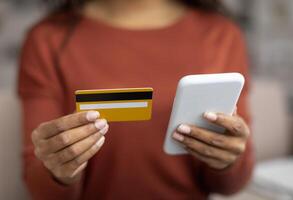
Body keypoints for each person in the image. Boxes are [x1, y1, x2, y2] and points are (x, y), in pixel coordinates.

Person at [18, 0, 254, 199]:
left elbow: (232, 184)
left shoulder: (221, 35)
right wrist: (59, 170)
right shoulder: (48, 39)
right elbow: (39, 185)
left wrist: (227, 159)